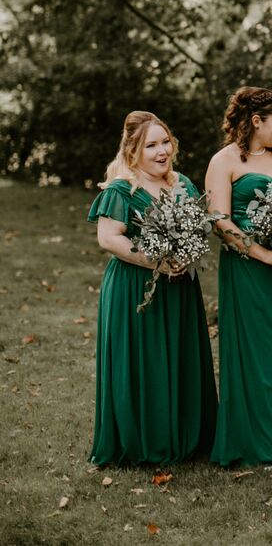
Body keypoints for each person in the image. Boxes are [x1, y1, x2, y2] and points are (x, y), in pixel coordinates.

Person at [87, 111, 217, 465]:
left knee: (177, 354)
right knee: (142, 360)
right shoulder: (122, 189)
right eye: (152, 145)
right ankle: (143, 441)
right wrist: (155, 261)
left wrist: (186, 253)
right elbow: (109, 238)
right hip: (135, 287)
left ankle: (186, 438)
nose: (162, 152)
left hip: (180, 286)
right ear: (133, 151)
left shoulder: (184, 185)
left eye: (165, 142)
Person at [207, 86, 272, 467]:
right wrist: (266, 254)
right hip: (247, 268)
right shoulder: (224, 160)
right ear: (256, 121)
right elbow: (220, 222)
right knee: (250, 354)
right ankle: (248, 442)